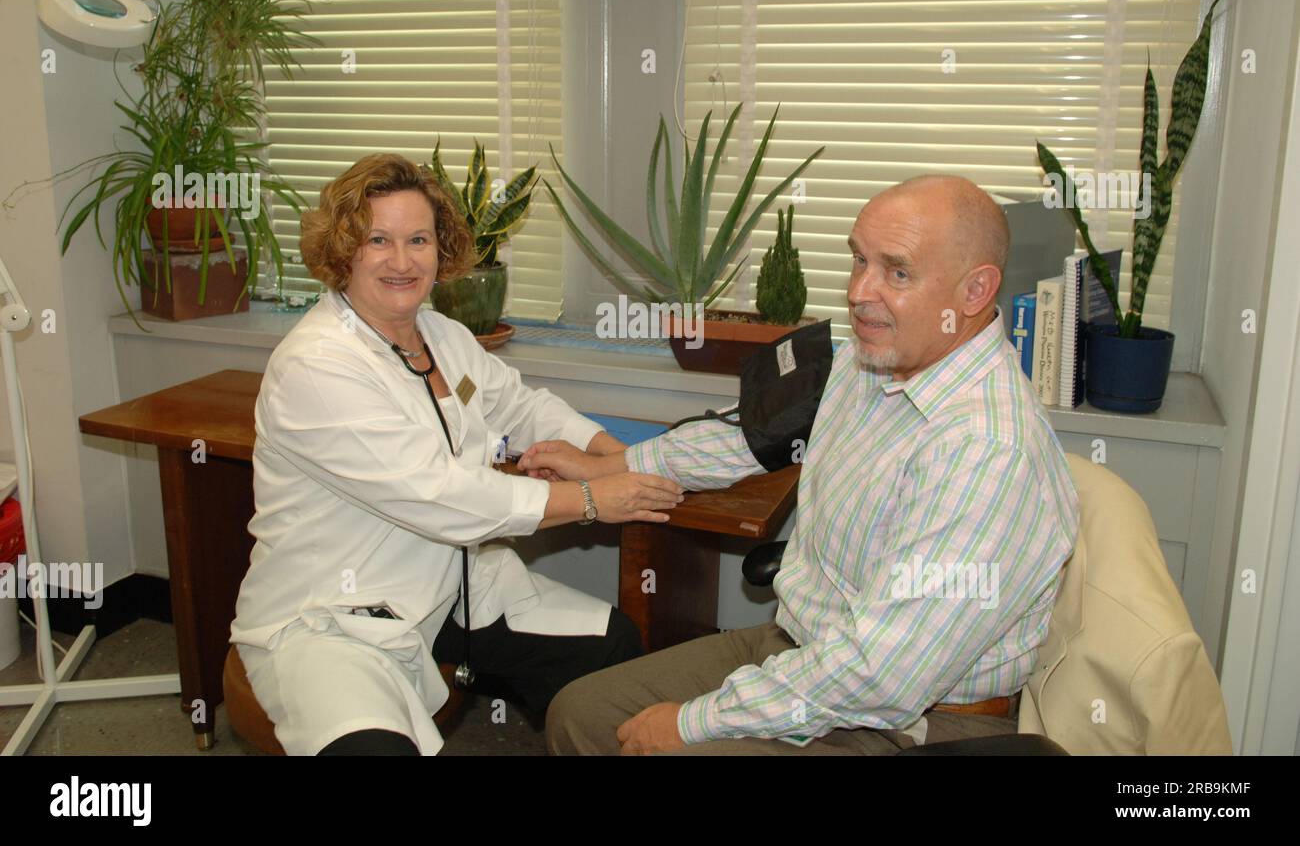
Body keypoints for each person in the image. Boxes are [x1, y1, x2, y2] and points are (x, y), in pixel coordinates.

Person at [528, 175, 1081, 755]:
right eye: (858, 260)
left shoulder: (986, 453)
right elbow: (753, 437)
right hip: (800, 648)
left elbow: (883, 675)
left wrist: (692, 722)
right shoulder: (874, 361)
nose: (860, 292)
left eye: (897, 272)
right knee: (580, 714)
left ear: (974, 292)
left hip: (904, 717)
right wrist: (614, 464)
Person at [230, 153, 683, 756]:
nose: (402, 260)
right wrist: (595, 498)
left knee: (611, 652)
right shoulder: (318, 366)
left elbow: (522, 408)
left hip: (451, 586)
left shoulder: (441, 335)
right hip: (335, 618)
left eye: (418, 239)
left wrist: (613, 453)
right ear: (343, 250)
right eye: (378, 241)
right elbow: (440, 494)